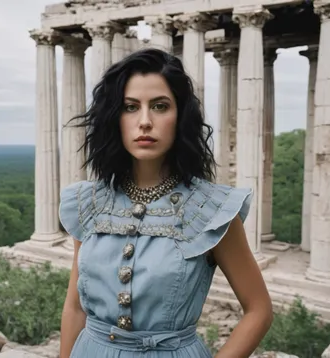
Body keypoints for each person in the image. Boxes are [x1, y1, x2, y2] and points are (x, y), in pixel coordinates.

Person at [58, 48, 273, 358]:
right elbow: (75, 307)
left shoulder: (211, 210)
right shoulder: (87, 203)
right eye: (130, 107)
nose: (145, 121)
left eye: (160, 106)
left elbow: (259, 310)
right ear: (114, 118)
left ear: (180, 116)